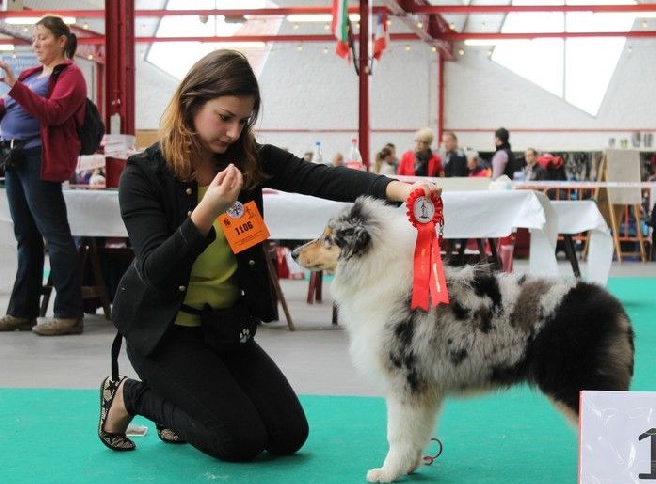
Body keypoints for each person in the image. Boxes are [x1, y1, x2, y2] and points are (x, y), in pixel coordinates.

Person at [97, 49, 440, 461]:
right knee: (237, 440)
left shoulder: (248, 160)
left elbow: (321, 178)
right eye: (224, 117)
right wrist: (206, 212)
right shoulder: (143, 174)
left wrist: (401, 189)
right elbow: (154, 270)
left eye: (244, 121)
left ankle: (184, 406)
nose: (233, 132)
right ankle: (130, 395)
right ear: (191, 103)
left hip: (224, 328)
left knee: (288, 435)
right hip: (163, 332)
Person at [0, 15, 86, 336]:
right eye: (34, 38)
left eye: (42, 37)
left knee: (55, 236)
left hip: (40, 158)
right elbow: (12, 107)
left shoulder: (71, 75)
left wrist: (16, 88)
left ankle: (69, 313)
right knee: (26, 236)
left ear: (61, 41)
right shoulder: (31, 74)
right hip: (15, 157)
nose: (35, 44)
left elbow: (54, 113)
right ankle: (22, 312)